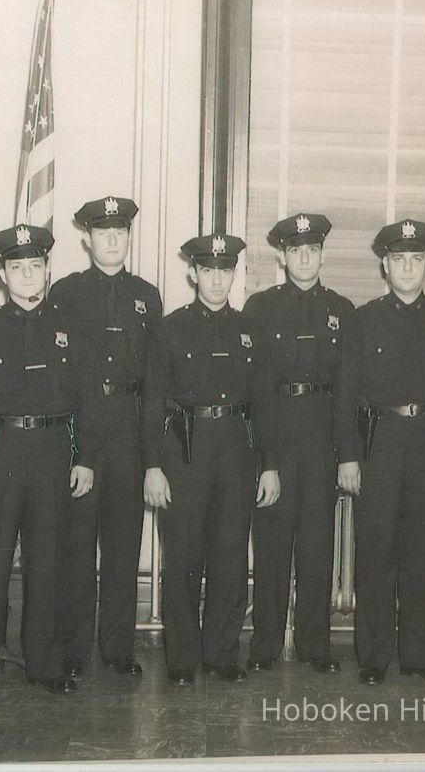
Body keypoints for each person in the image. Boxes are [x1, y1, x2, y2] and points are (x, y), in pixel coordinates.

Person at [0, 223, 104, 698]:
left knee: (48, 564)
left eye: (35, 265)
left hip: (54, 455)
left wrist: (86, 458)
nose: (27, 274)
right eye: (17, 267)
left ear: (48, 269)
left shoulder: (71, 331)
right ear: (3, 275)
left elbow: (91, 401)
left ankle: (45, 663)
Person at [334, 219, 425, 686]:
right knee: (374, 552)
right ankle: (373, 656)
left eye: (416, 259)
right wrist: (349, 456)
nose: (407, 267)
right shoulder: (363, 319)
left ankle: (418, 655)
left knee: (421, 552)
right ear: (384, 265)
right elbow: (345, 394)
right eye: (398, 259)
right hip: (380, 443)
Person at [142, 233, 281, 686]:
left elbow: (264, 402)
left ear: (233, 275)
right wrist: (153, 466)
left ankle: (222, 654)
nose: (218, 280)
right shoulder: (169, 329)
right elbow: (152, 402)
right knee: (183, 555)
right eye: (209, 271)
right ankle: (181, 659)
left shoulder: (251, 330)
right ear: (194, 273)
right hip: (185, 448)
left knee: (230, 556)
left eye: (225, 271)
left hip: (237, 451)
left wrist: (269, 465)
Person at [50, 196, 162, 678]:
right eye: (103, 233)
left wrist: (152, 451)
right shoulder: (66, 293)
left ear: (129, 238)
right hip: (82, 430)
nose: (112, 240)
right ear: (87, 239)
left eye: (120, 232)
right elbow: (58, 372)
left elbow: (158, 377)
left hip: (130, 429)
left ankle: (118, 647)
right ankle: (73, 647)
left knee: (122, 543)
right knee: (76, 544)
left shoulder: (147, 296)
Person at [243, 213, 354, 675]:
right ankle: (265, 645)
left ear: (321, 254)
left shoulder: (342, 310)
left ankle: (315, 646)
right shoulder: (260, 307)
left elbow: (348, 390)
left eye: (312, 249)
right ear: (283, 256)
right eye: (295, 250)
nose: (304, 257)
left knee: (315, 547)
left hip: (323, 437)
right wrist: (265, 460)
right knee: (271, 544)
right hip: (276, 433)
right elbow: (254, 388)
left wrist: (347, 454)